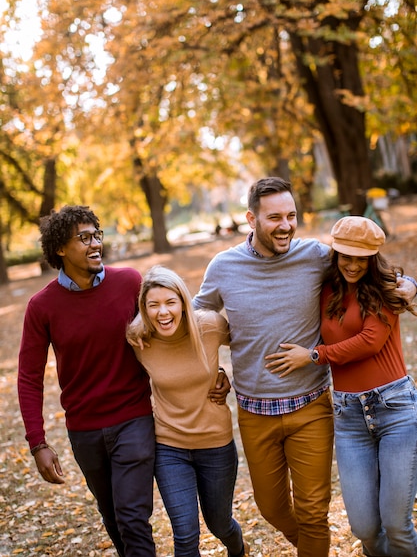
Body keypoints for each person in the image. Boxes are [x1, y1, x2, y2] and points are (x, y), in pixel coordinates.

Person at [192, 177, 417, 557]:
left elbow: (370, 267)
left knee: (315, 513)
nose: (285, 225)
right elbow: (198, 313)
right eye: (274, 217)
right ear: (251, 219)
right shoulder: (224, 266)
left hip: (313, 405)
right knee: (273, 509)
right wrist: (216, 361)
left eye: (292, 215)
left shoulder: (315, 256)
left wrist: (409, 284)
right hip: (255, 408)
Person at [17, 205, 230, 557]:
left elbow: (171, 330)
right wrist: (37, 442)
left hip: (133, 419)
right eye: (83, 238)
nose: (95, 243)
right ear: (59, 248)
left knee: (132, 516)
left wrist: (214, 371)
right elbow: (28, 377)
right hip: (83, 429)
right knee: (113, 517)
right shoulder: (42, 307)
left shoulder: (129, 282)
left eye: (96, 234)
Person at [267, 215, 417, 557]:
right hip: (349, 416)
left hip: (395, 409)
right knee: (364, 528)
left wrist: (314, 355)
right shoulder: (327, 289)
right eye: (345, 255)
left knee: (397, 524)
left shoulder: (385, 288)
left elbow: (369, 342)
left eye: (360, 257)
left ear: (372, 257)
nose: (352, 264)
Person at [126, 265, 249, 557]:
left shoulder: (208, 325)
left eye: (170, 302)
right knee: (184, 532)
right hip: (170, 447)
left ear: (183, 301)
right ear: (144, 308)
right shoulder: (138, 338)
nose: (163, 312)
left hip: (216, 445)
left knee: (219, 524)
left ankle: (237, 549)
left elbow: (249, 346)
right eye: (153, 305)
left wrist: (226, 376)